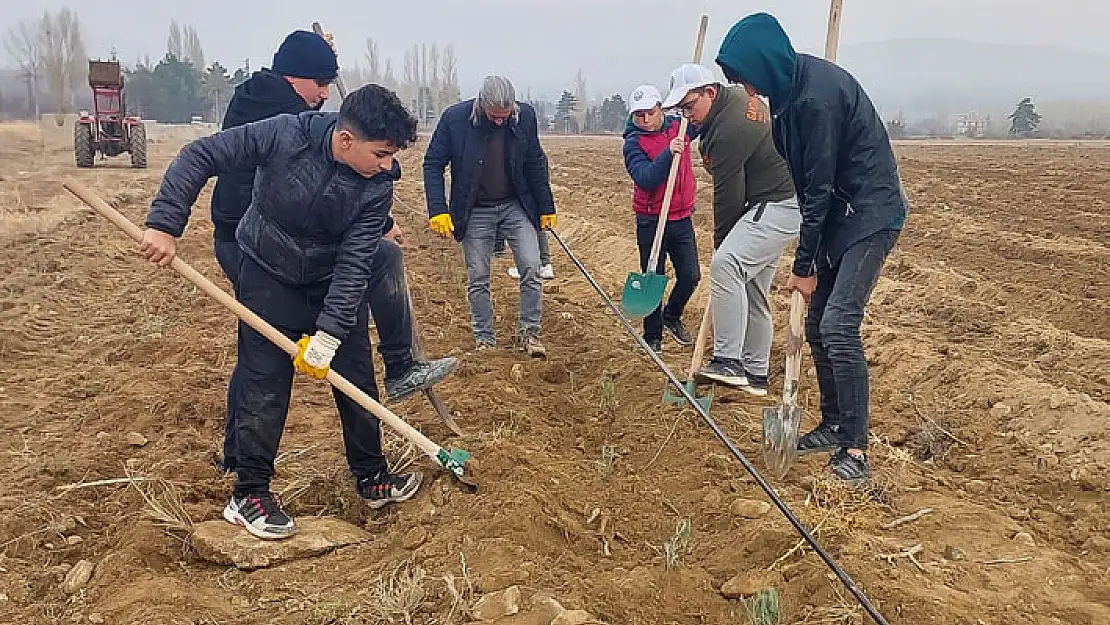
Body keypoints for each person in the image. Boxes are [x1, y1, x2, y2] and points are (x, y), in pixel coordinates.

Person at [140, 84, 424, 539]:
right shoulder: (283, 135)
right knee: (264, 380)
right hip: (267, 273)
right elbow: (200, 155)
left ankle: (371, 476)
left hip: (330, 277)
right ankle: (249, 492)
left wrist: (328, 337)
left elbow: (355, 262)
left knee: (354, 375)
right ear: (346, 139)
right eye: (383, 153)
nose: (389, 165)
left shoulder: (377, 188)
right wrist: (165, 223)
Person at [209, 30, 457, 474]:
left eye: (328, 84)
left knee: (364, 287)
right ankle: (245, 470)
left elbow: (338, 180)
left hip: (294, 238)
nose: (324, 95)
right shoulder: (280, 114)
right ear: (293, 77)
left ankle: (393, 379)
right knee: (264, 361)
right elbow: (322, 178)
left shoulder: (274, 95)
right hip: (254, 243)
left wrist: (374, 215)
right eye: (318, 83)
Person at [715, 12, 909, 482]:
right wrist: (814, 258)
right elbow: (805, 185)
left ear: (764, 66)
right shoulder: (785, 102)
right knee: (819, 325)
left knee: (840, 324)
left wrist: (805, 267)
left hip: (870, 213)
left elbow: (819, 190)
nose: (749, 93)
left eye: (748, 81)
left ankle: (857, 452)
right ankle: (834, 424)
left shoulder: (816, 100)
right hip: (837, 217)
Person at [658, 63, 800, 396]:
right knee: (753, 290)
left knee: (727, 265)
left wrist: (722, 246)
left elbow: (728, 196)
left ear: (710, 92)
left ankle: (728, 361)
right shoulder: (735, 99)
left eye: (690, 106)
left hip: (776, 204)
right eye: (681, 109)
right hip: (781, 201)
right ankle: (755, 374)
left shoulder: (729, 131)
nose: (687, 115)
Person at [423, 75, 557, 357]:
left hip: (515, 204)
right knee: (478, 276)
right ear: (481, 106)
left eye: (504, 117)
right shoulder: (455, 120)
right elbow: (433, 163)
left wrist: (546, 206)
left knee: (532, 267)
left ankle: (529, 333)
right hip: (475, 210)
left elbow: (535, 161)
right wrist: (438, 210)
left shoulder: (525, 117)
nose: (499, 122)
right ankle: (485, 338)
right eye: (494, 117)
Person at [620, 84, 701, 352]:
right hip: (651, 220)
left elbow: (703, 120)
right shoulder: (633, 144)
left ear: (660, 110)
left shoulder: (680, 126)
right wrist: (669, 152)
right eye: (639, 115)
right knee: (653, 276)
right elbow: (646, 178)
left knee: (690, 275)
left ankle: (672, 315)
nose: (645, 119)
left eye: (650, 113)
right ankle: (652, 336)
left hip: (681, 217)